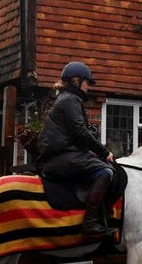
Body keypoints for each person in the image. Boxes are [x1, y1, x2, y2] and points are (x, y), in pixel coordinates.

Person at [36, 61, 117, 242]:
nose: (88, 87)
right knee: (105, 172)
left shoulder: (68, 99)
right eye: (87, 82)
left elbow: (80, 133)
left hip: (65, 155)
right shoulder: (70, 100)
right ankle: (90, 224)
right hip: (60, 157)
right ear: (76, 80)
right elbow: (80, 132)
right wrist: (104, 152)